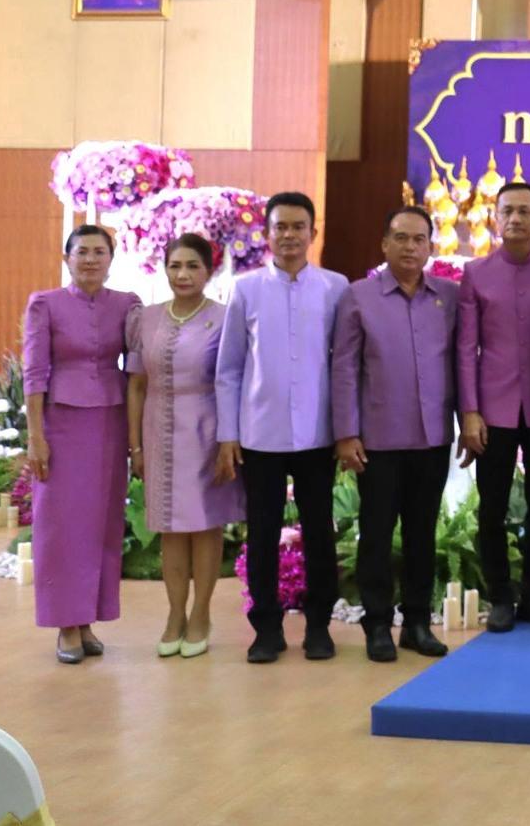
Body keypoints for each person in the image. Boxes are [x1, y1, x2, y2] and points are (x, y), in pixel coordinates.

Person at [215, 191, 351, 664]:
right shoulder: (245, 289)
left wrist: (346, 429)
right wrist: (228, 435)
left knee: (319, 532)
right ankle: (266, 629)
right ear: (267, 233)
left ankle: (319, 626)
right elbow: (229, 368)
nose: (289, 235)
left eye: (298, 227)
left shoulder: (335, 288)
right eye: (281, 227)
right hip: (260, 432)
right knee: (262, 532)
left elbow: (345, 364)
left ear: (313, 233)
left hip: (317, 432)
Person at [331, 206, 458, 663]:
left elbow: (461, 361)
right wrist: (346, 433)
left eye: (419, 239)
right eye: (401, 238)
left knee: (423, 534)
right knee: (377, 534)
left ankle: (418, 623)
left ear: (430, 247)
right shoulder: (358, 296)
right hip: (378, 440)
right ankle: (378, 624)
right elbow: (344, 367)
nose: (410, 247)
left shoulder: (448, 296)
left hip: (432, 436)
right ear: (384, 244)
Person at [457, 180, 530, 633]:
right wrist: (469, 411)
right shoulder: (476, 272)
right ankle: (500, 596)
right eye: (508, 211)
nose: (516, 219)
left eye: (525, 211)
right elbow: (466, 348)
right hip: (494, 408)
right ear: (495, 217)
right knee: (492, 507)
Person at [23, 225, 140, 664]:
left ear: (111, 258)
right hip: (61, 426)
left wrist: (137, 439)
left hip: (110, 422)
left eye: (99, 252)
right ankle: (65, 623)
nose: (91, 259)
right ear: (66, 258)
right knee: (61, 525)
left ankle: (87, 618)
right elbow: (34, 374)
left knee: (100, 523)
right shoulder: (45, 304)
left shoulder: (127, 305)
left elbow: (138, 372)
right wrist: (36, 437)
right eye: (82, 252)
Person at [125, 232, 241, 660]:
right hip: (158, 429)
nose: (183, 274)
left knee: (205, 527)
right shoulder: (145, 319)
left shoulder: (225, 318)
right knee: (170, 528)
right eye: (175, 265)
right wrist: (136, 446)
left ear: (209, 271)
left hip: (207, 431)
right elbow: (136, 384)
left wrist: (229, 439)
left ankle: (201, 615)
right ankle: (174, 614)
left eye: (193, 265)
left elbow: (233, 381)